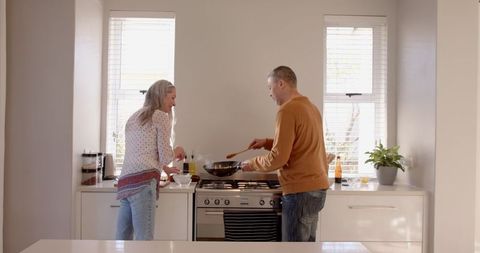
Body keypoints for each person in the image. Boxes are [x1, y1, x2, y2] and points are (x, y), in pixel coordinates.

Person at [241, 66, 334, 242]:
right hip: (317, 189)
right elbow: (300, 144)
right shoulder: (310, 107)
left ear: (281, 83)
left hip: (300, 191)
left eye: (270, 87)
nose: (269, 93)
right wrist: (267, 142)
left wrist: (252, 163)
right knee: (306, 247)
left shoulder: (287, 110)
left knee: (293, 250)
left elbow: (279, 158)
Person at [116, 80, 185, 240]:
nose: (174, 104)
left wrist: (164, 169)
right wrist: (178, 150)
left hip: (125, 182)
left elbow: (142, 151)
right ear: (162, 96)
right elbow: (167, 156)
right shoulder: (161, 116)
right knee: (144, 240)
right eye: (172, 98)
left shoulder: (135, 116)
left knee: (122, 239)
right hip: (143, 183)